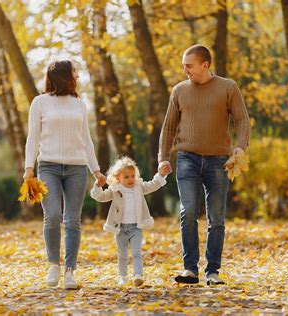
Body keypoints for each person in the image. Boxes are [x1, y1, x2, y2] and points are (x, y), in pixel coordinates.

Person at [158, 44, 251, 285]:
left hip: (219, 161)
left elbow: (242, 121)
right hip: (187, 157)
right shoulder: (179, 90)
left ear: (205, 64)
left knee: (216, 218)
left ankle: (213, 271)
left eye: (189, 65)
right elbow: (168, 126)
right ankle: (190, 269)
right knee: (187, 211)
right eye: (183, 66)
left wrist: (240, 147)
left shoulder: (228, 87)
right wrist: (163, 158)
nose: (185, 70)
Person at [23, 60, 106, 289]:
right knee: (52, 216)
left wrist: (96, 170)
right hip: (48, 166)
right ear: (62, 76)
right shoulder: (39, 103)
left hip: (77, 168)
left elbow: (86, 139)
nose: (77, 76)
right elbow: (33, 137)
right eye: (73, 72)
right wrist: (29, 168)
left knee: (72, 220)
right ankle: (54, 266)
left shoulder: (79, 104)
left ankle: (70, 271)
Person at [90, 157, 170, 286]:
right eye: (126, 177)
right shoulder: (114, 189)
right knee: (122, 254)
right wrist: (98, 186)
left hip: (135, 228)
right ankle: (123, 276)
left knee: (136, 252)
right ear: (118, 177)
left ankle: (138, 275)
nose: (130, 179)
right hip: (120, 228)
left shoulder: (139, 187)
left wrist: (161, 175)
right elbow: (100, 197)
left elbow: (153, 185)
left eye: (132, 176)